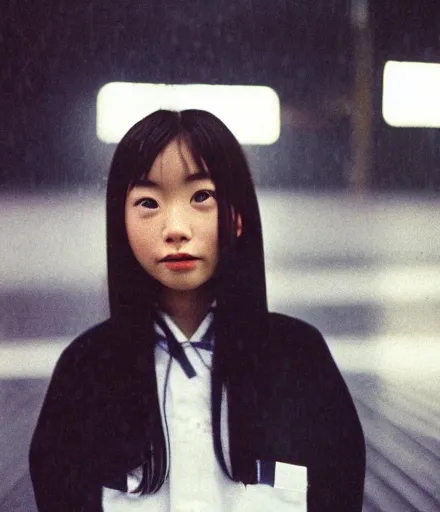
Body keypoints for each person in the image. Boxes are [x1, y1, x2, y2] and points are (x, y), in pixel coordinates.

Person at [29, 109, 366, 512]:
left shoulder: (299, 358)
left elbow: (338, 488)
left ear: (238, 216)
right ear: (120, 222)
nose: (176, 227)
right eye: (148, 202)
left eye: (201, 197)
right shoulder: (85, 370)